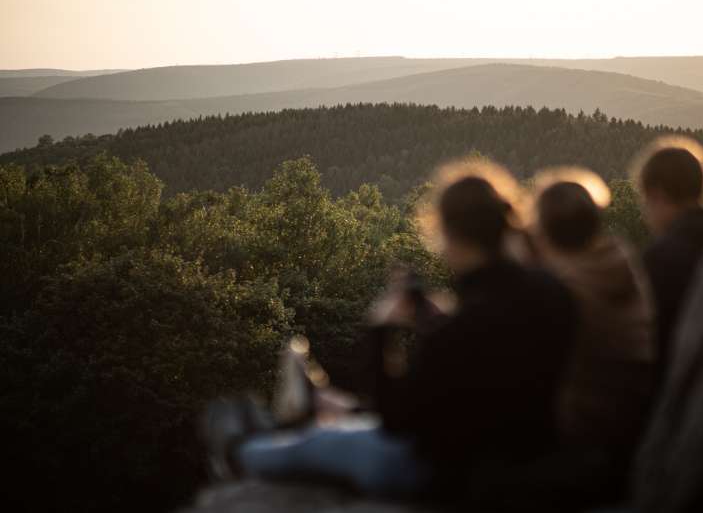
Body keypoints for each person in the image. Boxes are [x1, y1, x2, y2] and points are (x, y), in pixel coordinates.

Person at [202, 169, 578, 501]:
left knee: (333, 442)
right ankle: (293, 421)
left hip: (453, 473)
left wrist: (380, 330)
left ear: (450, 235)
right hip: (532, 456)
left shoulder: (463, 328)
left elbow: (396, 420)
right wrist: (436, 321)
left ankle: (239, 452)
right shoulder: (551, 292)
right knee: (346, 429)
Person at [526, 172, 655, 505]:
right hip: (633, 432)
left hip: (582, 442)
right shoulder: (620, 263)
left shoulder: (562, 293)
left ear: (543, 232)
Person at [635, 137, 703, 385]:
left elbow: (653, 345)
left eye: (644, 200)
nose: (645, 214)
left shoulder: (661, 259)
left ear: (656, 194)